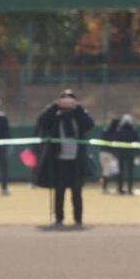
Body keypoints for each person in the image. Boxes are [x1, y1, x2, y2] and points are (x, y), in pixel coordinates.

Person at [34, 89, 95, 228]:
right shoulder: (55, 116)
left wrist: (78, 108)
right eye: (65, 99)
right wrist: (55, 106)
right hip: (58, 160)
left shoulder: (78, 116)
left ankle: (78, 220)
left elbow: (89, 124)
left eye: (70, 99)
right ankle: (59, 219)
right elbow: (42, 122)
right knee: (59, 191)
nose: (67, 102)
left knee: (77, 192)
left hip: (76, 160)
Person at [114, 113, 140, 195]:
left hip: (121, 154)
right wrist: (138, 154)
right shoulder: (133, 131)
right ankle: (130, 189)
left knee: (121, 172)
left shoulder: (119, 130)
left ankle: (120, 189)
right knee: (130, 172)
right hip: (130, 154)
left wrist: (116, 153)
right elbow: (137, 143)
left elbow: (116, 143)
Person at [98, 117, 121, 194]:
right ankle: (118, 188)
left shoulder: (105, 131)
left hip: (102, 153)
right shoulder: (116, 132)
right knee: (115, 171)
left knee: (105, 171)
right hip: (110, 154)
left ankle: (105, 188)